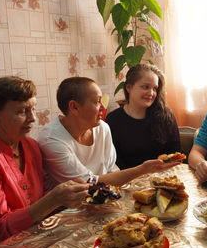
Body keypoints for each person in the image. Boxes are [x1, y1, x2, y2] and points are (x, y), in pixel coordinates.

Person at [0, 77, 89, 248]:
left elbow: (36, 198)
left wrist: (68, 196)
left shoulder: (30, 146)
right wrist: (54, 199)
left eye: (33, 108)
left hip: (32, 240)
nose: (32, 118)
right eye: (22, 111)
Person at [38, 77, 180, 188]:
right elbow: (87, 183)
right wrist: (142, 170)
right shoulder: (51, 139)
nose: (103, 107)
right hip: (66, 211)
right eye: (97, 102)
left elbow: (112, 170)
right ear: (74, 107)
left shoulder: (102, 128)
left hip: (102, 199)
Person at [106, 64, 181, 169]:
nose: (151, 93)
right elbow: (113, 162)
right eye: (145, 87)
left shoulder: (166, 116)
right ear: (129, 88)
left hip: (163, 178)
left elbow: (175, 154)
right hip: (127, 180)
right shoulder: (113, 120)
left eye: (155, 88)